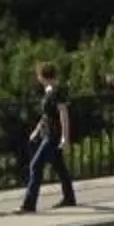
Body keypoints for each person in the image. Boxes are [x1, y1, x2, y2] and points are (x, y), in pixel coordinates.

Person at [19, 62, 77, 212]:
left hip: (54, 135)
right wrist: (37, 130)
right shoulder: (49, 91)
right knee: (60, 167)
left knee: (35, 165)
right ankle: (69, 197)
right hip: (48, 133)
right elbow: (47, 115)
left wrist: (65, 137)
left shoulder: (57, 92)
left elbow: (63, 114)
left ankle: (29, 204)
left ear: (43, 76)